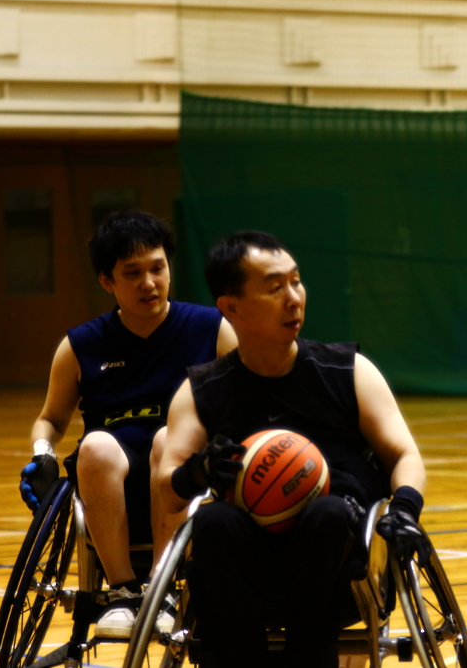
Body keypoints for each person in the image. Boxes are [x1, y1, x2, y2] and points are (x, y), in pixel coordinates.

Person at [158, 230, 427, 668]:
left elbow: (405, 456)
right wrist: (196, 473)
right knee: (212, 521)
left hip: (340, 569)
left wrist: (406, 509)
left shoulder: (347, 371)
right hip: (248, 573)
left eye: (296, 281)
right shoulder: (202, 390)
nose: (293, 297)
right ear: (231, 308)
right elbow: (166, 492)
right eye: (274, 286)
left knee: (328, 512)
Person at [18, 210, 237, 638]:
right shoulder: (80, 345)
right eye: (132, 273)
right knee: (95, 445)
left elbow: (242, 405)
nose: (149, 283)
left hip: (187, 469)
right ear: (107, 281)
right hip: (111, 468)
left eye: (157, 268)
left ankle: (161, 589)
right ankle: (121, 592)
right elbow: (50, 419)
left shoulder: (212, 330)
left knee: (167, 437)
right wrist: (42, 455)